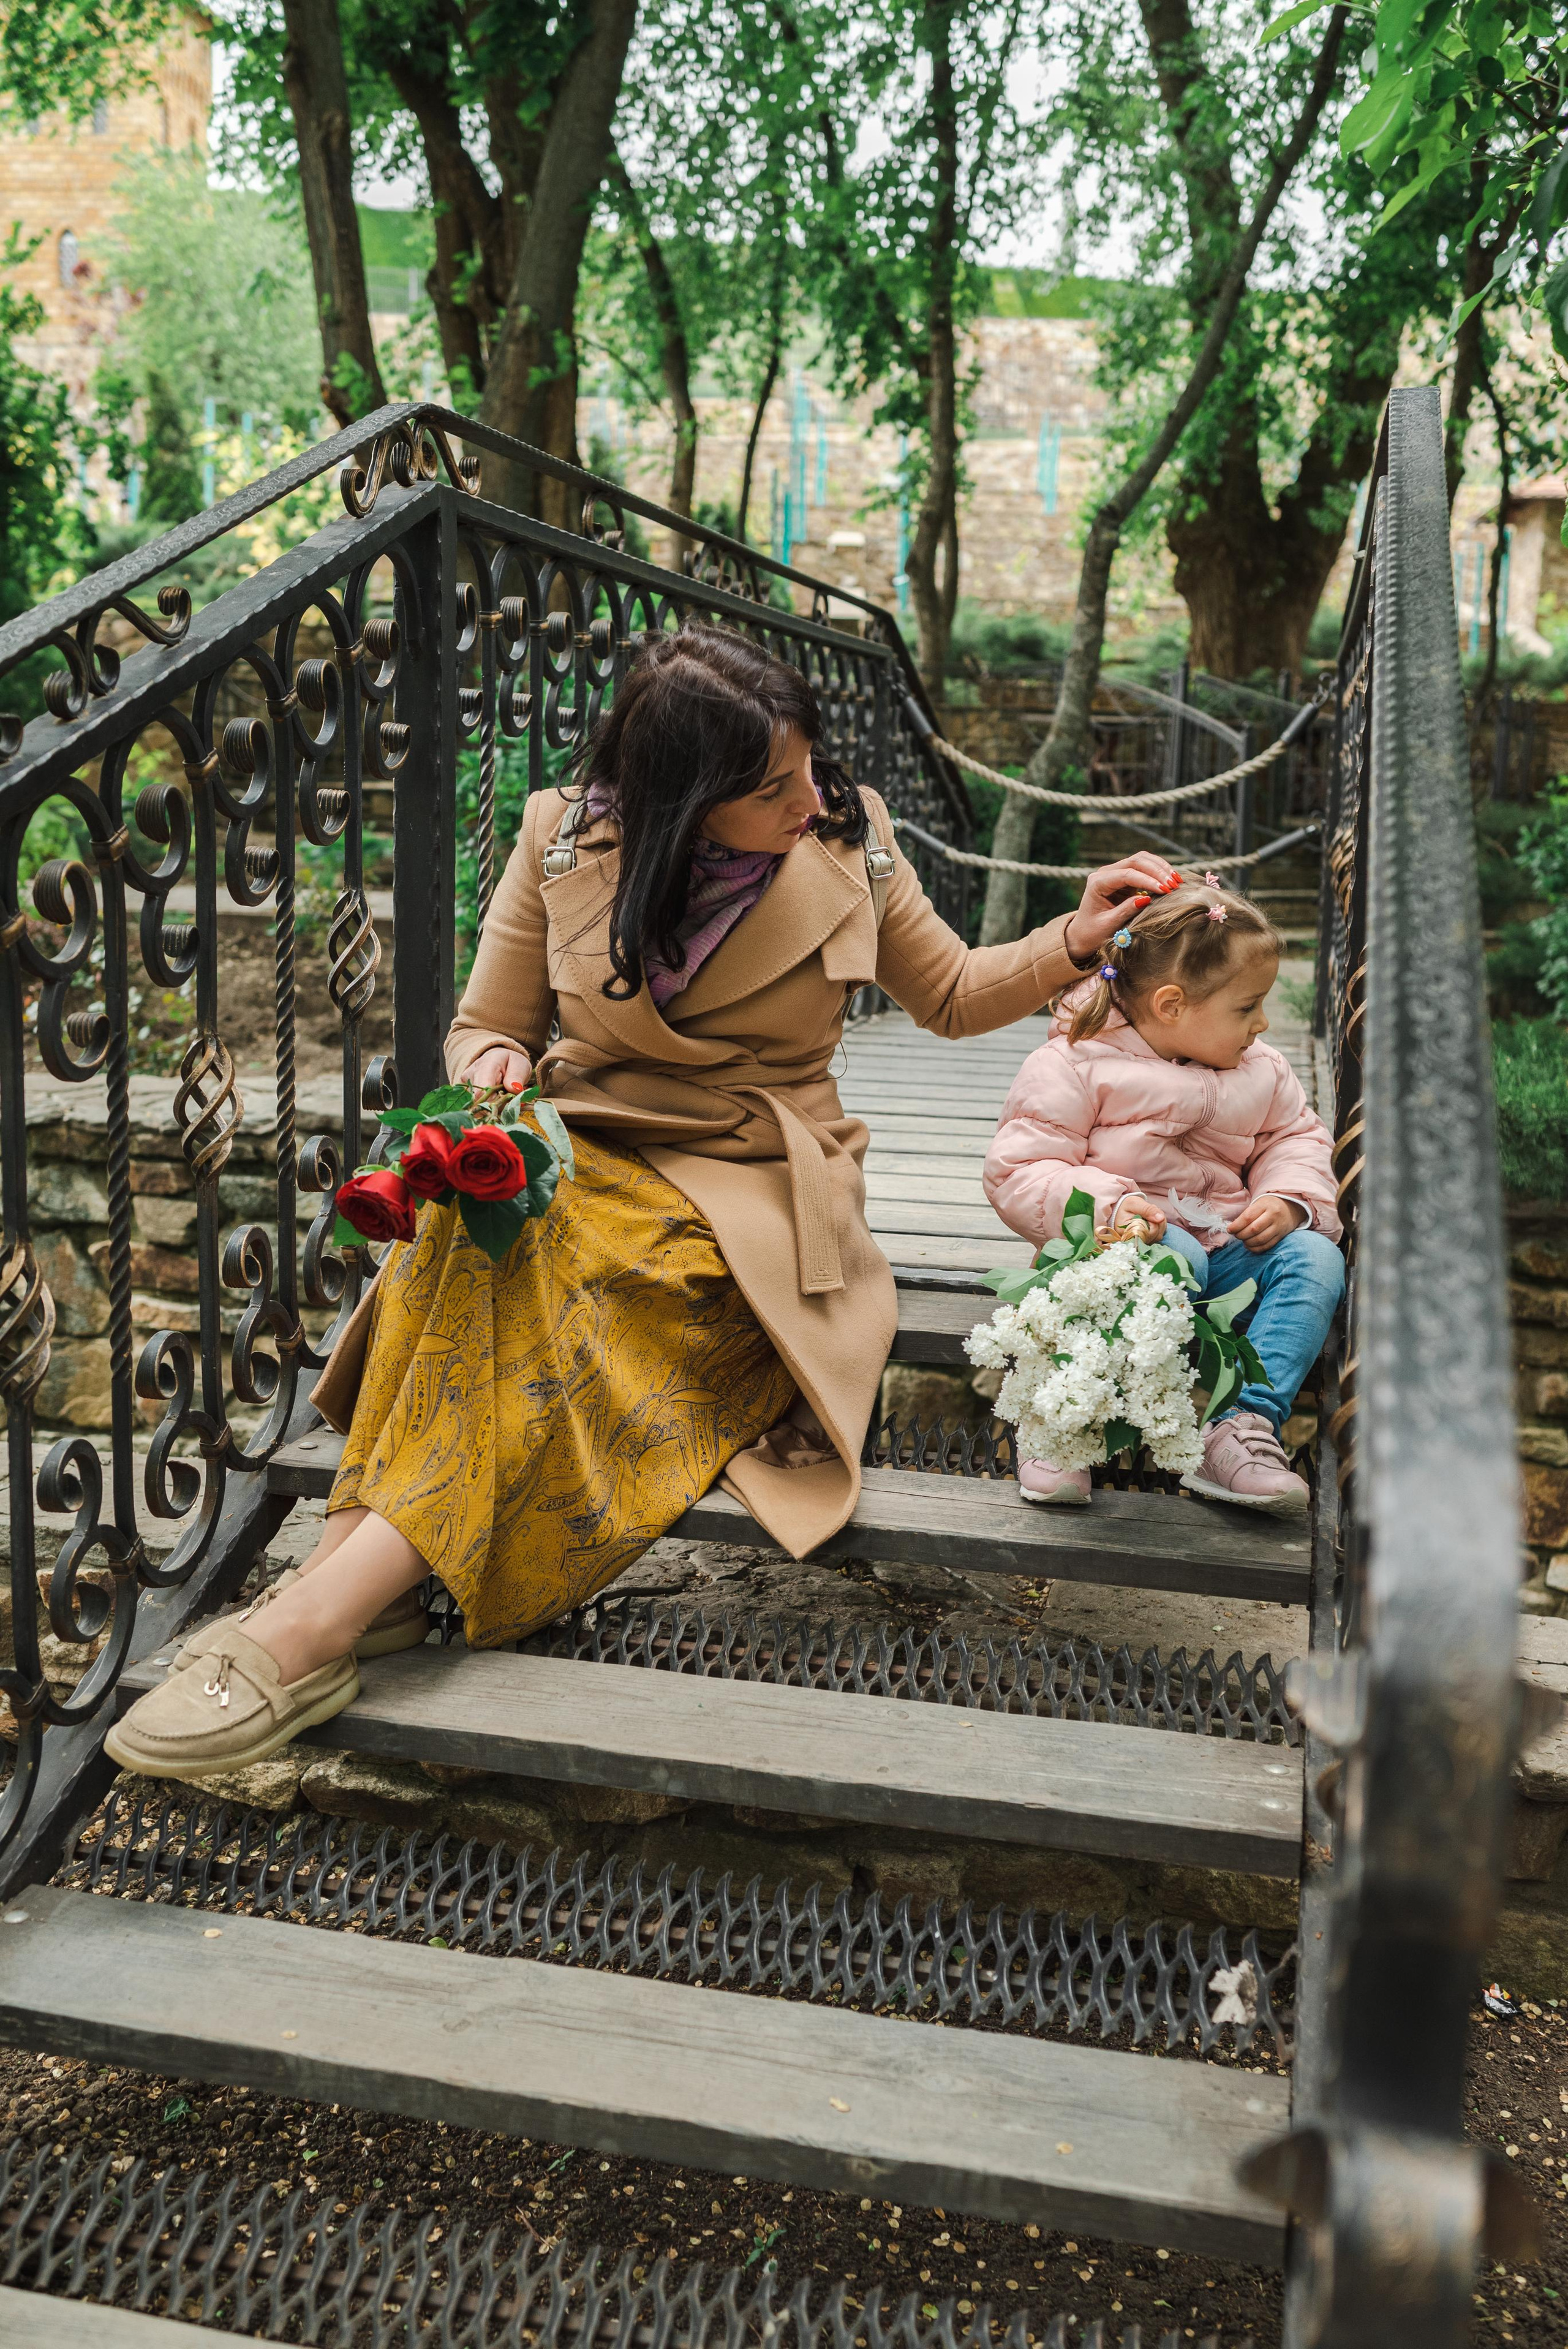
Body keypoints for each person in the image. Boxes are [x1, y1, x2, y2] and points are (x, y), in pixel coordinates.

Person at [107, 626, 1181, 1780]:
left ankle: (313, 1613)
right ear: (679, 796)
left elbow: (956, 993)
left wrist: (1075, 936)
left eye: (809, 766)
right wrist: (492, 1071)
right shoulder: (563, 835)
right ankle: (353, 1603)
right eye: (770, 788)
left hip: (759, 1181)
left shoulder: (850, 836)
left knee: (570, 1294)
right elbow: (488, 1024)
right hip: (591, 1141)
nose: (808, 799)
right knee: (474, 1235)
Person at [982, 874, 1344, 1518]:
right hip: (1118, 1255)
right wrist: (1110, 1206)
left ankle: (1240, 1428)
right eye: (1247, 1007)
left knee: (1316, 1257)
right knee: (1177, 1255)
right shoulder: (1073, 1064)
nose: (1262, 1024)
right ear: (1172, 1005)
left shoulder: (1261, 1068)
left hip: (1225, 1247)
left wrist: (1290, 1199)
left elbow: (1295, 1137)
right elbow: (1021, 1169)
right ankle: (1064, 1420)